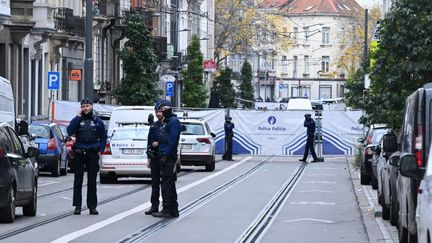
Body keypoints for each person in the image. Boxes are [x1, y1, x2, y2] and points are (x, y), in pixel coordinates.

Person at [67, 97, 107, 215]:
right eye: (83, 107)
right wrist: (77, 117)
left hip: (92, 153)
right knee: (78, 180)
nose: (85, 108)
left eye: (87, 106)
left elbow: (103, 136)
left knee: (92, 181)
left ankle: (92, 206)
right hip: (80, 152)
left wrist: (101, 149)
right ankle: (77, 206)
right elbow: (69, 131)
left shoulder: (97, 121)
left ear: (91, 106)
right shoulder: (78, 120)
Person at [151, 100, 181, 218]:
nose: (162, 112)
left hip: (168, 156)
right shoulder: (167, 122)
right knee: (169, 182)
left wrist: (166, 154)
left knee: (166, 183)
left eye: (163, 109)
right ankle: (173, 208)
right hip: (164, 154)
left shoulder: (173, 122)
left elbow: (172, 141)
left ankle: (168, 208)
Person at [144, 104, 164, 215]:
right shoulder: (154, 126)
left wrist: (159, 143)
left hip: (165, 156)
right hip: (155, 157)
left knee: (165, 182)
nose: (158, 114)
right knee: (155, 182)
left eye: (160, 111)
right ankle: (154, 205)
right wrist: (148, 158)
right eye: (156, 112)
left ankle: (165, 205)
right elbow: (149, 142)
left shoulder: (167, 124)